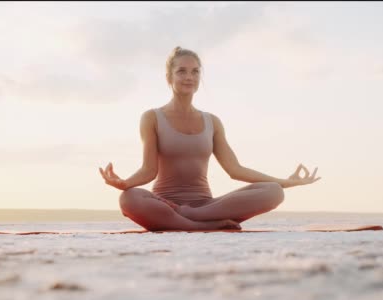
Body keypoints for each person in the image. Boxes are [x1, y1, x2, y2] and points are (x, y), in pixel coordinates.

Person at [99, 46, 321, 232]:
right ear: (169, 77)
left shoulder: (212, 121)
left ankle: (191, 218)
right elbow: (149, 170)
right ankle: (200, 225)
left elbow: (235, 170)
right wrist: (125, 183)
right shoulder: (152, 118)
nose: (189, 77)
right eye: (182, 71)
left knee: (274, 191)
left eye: (195, 71)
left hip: (208, 206)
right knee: (129, 199)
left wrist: (286, 182)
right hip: (165, 205)